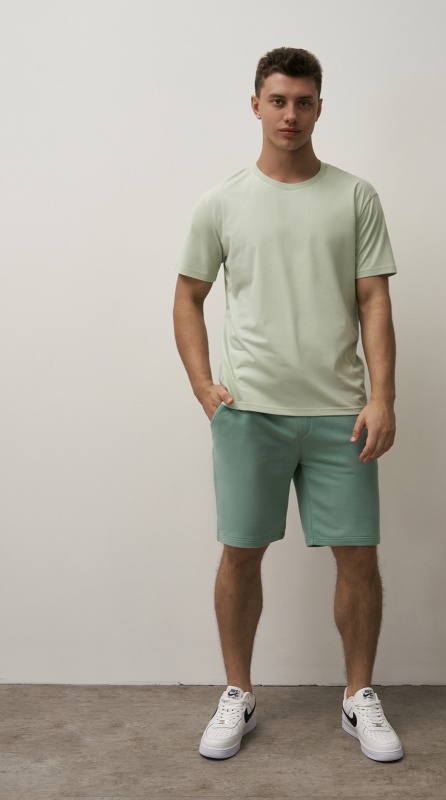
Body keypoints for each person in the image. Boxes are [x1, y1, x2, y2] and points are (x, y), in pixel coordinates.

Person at [173, 46, 402, 762]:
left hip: (340, 413)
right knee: (240, 554)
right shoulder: (222, 201)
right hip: (250, 412)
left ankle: (358, 696)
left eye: (303, 102)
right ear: (256, 105)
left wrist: (383, 396)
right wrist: (202, 385)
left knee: (357, 556)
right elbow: (188, 295)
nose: (290, 114)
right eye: (277, 100)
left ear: (319, 108)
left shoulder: (355, 196)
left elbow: (373, 299)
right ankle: (237, 694)